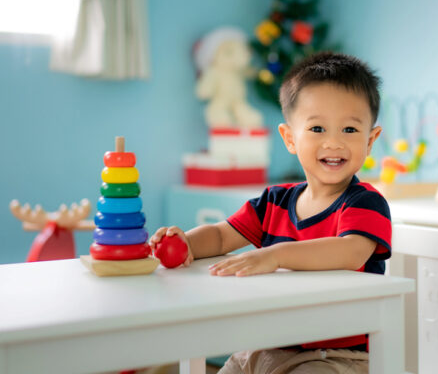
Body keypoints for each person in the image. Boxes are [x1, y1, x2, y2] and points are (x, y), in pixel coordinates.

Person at [150, 51, 391, 374]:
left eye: (349, 130)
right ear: (290, 138)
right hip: (265, 345)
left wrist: (275, 256)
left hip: (336, 356)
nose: (333, 143)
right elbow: (222, 236)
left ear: (371, 140)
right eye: (318, 128)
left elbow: (350, 252)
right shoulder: (274, 202)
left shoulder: (364, 203)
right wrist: (186, 244)